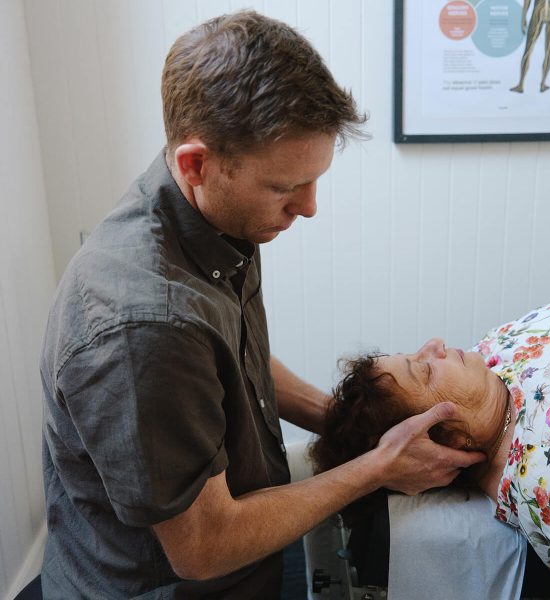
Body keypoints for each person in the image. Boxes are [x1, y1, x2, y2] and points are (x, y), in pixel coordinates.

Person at [39, 11, 485, 600]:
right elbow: (203, 548)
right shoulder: (143, 327)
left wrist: (358, 428)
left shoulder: (217, 215)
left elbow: (233, 362)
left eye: (313, 180)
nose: (308, 208)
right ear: (196, 163)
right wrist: (375, 469)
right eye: (284, 187)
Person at [311, 298, 550, 597]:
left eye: (414, 354)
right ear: (445, 442)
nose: (436, 344)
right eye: (425, 371)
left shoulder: (490, 354)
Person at [510, 0, 550, 93]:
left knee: (528, 48)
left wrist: (523, 17)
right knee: (549, 48)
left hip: (539, 8)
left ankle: (521, 84)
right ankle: (543, 84)